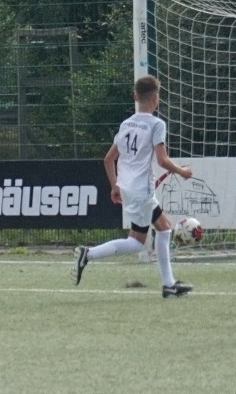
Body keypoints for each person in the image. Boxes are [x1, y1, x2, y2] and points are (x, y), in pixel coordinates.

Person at [71, 75, 195, 298]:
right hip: (142, 191)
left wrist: (114, 186)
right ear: (156, 98)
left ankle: (169, 284)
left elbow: (108, 159)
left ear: (135, 97)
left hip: (128, 188)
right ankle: (87, 254)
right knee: (137, 242)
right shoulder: (156, 125)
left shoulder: (126, 124)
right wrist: (182, 171)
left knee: (164, 227)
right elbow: (162, 160)